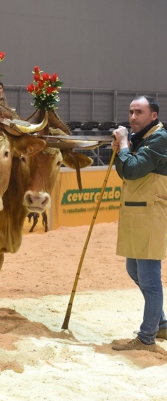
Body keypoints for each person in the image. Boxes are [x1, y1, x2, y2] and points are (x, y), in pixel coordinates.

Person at [111, 96, 167, 353]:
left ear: (153, 115)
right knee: (134, 270)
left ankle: (147, 337)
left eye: (139, 112)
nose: (133, 117)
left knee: (150, 279)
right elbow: (124, 170)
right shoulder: (141, 139)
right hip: (138, 213)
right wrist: (123, 146)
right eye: (131, 112)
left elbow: (132, 170)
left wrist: (123, 143)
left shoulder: (160, 138)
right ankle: (162, 323)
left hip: (152, 214)